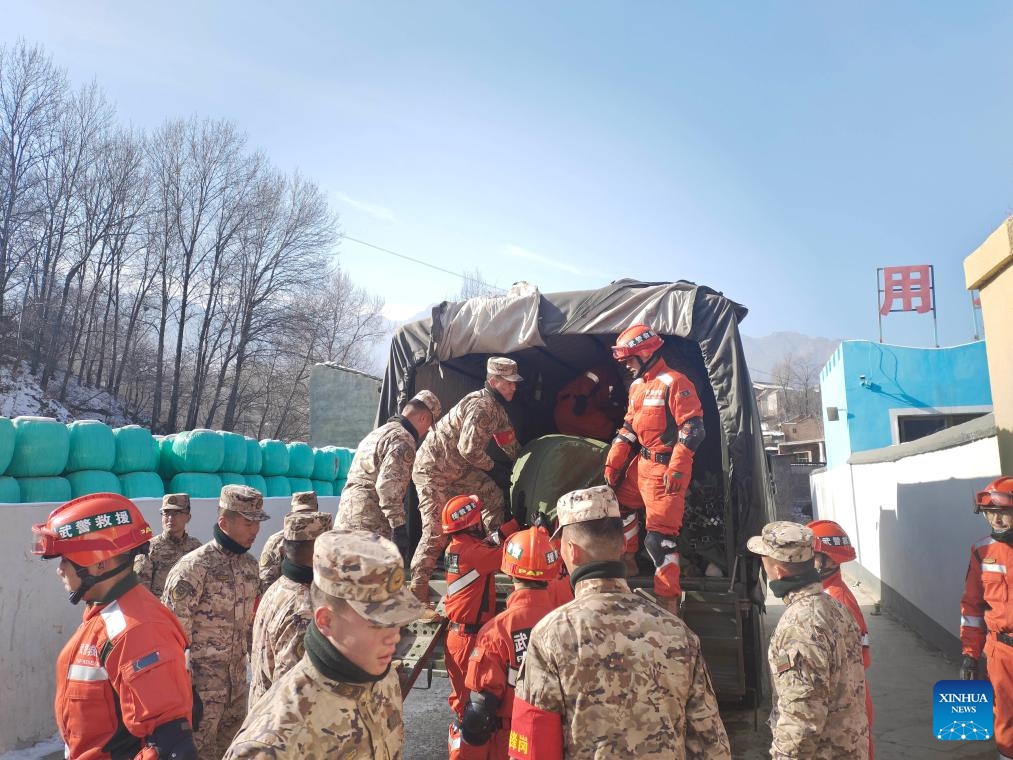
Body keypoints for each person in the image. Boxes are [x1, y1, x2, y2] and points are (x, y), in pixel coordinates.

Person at [510, 486, 729, 760]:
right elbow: (711, 745)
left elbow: (533, 747)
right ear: (624, 544)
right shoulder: (677, 632)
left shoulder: (551, 636)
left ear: (572, 551)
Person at [223, 529, 424, 759]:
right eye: (377, 624)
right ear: (326, 621)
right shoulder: (273, 742)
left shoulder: (381, 679)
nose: (394, 636)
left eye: (396, 620)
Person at [32, 492, 197, 760]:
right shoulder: (104, 613)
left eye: (66, 560)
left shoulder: (137, 629)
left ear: (99, 564)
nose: (60, 570)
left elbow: (171, 747)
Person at [603, 323, 705, 612]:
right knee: (619, 508)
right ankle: (629, 561)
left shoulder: (675, 382)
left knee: (660, 541)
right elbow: (628, 429)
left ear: (645, 352)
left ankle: (668, 604)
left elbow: (693, 429)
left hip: (665, 469)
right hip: (642, 465)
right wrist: (615, 460)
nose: (625, 366)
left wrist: (678, 467)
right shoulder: (636, 387)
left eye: (628, 360)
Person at [162, 484, 267, 760]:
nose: (254, 530)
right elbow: (171, 638)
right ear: (224, 521)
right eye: (247, 522)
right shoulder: (194, 568)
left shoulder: (250, 566)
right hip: (199, 693)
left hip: (236, 688)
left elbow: (250, 627)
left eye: (257, 522)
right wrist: (184, 693)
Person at [748, 521, 869, 758]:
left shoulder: (799, 627)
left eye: (764, 559)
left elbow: (801, 722)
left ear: (778, 571)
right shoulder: (836, 608)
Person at [410, 357, 523, 605]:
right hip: (433, 469)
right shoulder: (481, 406)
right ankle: (417, 593)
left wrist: (523, 462)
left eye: (515, 383)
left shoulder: (498, 411)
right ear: (493, 381)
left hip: (459, 469)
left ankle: (489, 554)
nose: (513, 388)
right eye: (508, 383)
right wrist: (495, 468)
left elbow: (509, 443)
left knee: (492, 496)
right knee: (435, 532)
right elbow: (468, 449)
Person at [461, 527, 561, 760]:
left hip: (511, 739)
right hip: (558, 737)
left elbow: (479, 713)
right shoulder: (568, 623)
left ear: (509, 572)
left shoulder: (496, 631)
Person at [441, 494, 520, 755]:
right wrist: (534, 531)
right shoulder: (474, 553)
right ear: (472, 522)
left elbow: (488, 543)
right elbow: (506, 556)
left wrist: (513, 525)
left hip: (460, 636)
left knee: (469, 708)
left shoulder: (458, 547)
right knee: (472, 713)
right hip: (467, 639)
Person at [336, 389, 441, 557]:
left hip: (346, 515)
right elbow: (387, 486)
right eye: (428, 426)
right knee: (369, 579)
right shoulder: (403, 439)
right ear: (423, 418)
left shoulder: (378, 432)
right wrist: (398, 527)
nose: (425, 432)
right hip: (369, 522)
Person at [250, 509, 334, 705]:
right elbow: (292, 693)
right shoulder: (303, 610)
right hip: (284, 726)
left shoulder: (278, 588)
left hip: (262, 712)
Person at [809, 518, 875, 759]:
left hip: (846, 703)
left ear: (829, 560)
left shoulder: (838, 600)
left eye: (811, 555)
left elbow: (861, 657)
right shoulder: (823, 594)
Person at [960, 476, 1013, 759]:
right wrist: (970, 653)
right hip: (1001, 653)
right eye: (990, 513)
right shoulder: (982, 551)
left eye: (1003, 512)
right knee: (1004, 719)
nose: (996, 520)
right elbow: (971, 608)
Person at [134, 492, 203, 598]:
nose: (170, 518)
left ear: (188, 517)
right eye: (166, 513)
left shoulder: (196, 548)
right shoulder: (148, 549)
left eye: (177, 513)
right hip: (159, 612)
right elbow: (140, 592)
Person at [259, 491, 320, 588]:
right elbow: (266, 580)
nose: (304, 518)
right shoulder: (277, 541)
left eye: (309, 513)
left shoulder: (324, 540)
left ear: (317, 512)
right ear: (292, 513)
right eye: (300, 513)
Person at [553, 363, 625, 442]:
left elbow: (609, 410)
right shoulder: (608, 371)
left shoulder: (617, 395)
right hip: (573, 405)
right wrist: (583, 396)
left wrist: (622, 418)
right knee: (609, 430)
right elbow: (591, 377)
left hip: (576, 416)